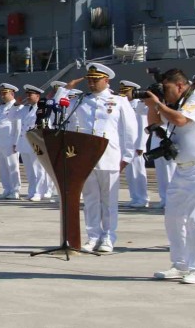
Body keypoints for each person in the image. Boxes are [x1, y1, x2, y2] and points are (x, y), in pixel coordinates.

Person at [145, 68, 195, 285]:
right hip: (183, 168)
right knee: (173, 217)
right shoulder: (177, 103)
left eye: (166, 88)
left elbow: (180, 120)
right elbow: (154, 125)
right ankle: (180, 264)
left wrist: (159, 104)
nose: (164, 93)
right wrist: (152, 106)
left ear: (179, 85)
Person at [57, 63, 137, 253]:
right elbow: (59, 110)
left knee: (109, 200)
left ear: (106, 80)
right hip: (85, 157)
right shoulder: (80, 100)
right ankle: (93, 236)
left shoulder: (119, 101)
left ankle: (108, 237)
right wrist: (65, 89)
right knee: (91, 200)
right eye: (90, 80)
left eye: (96, 80)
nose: (91, 83)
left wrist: (127, 156)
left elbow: (130, 130)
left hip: (110, 156)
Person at [14, 84, 50, 202]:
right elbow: (11, 116)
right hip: (24, 143)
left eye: (30, 94)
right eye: (27, 94)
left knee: (38, 169)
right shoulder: (25, 109)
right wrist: (16, 105)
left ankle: (39, 192)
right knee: (29, 170)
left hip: (36, 142)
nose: (28, 97)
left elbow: (46, 125)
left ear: (37, 96)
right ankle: (31, 192)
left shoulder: (42, 108)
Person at [119, 80, 150, 208]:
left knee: (138, 172)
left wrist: (141, 145)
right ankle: (135, 197)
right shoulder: (124, 105)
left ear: (133, 91)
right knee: (130, 174)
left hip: (136, 145)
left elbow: (143, 126)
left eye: (126, 92)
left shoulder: (139, 105)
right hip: (127, 145)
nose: (124, 94)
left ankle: (143, 198)